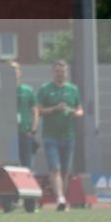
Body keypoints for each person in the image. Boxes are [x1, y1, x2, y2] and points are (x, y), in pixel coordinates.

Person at [35, 59, 82, 209]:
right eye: (57, 71)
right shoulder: (45, 89)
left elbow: (80, 109)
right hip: (50, 136)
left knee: (65, 171)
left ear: (66, 72)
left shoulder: (73, 89)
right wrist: (54, 108)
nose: (59, 73)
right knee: (54, 168)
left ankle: (63, 198)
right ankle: (60, 198)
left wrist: (75, 112)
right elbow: (39, 110)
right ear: (53, 72)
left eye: (62, 71)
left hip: (68, 136)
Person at [12, 62, 38, 173]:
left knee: (27, 167)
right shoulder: (1, 90)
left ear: (19, 72)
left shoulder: (28, 91)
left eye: (15, 69)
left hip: (25, 133)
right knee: (11, 166)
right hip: (9, 135)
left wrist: (32, 130)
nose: (13, 71)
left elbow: (35, 112)